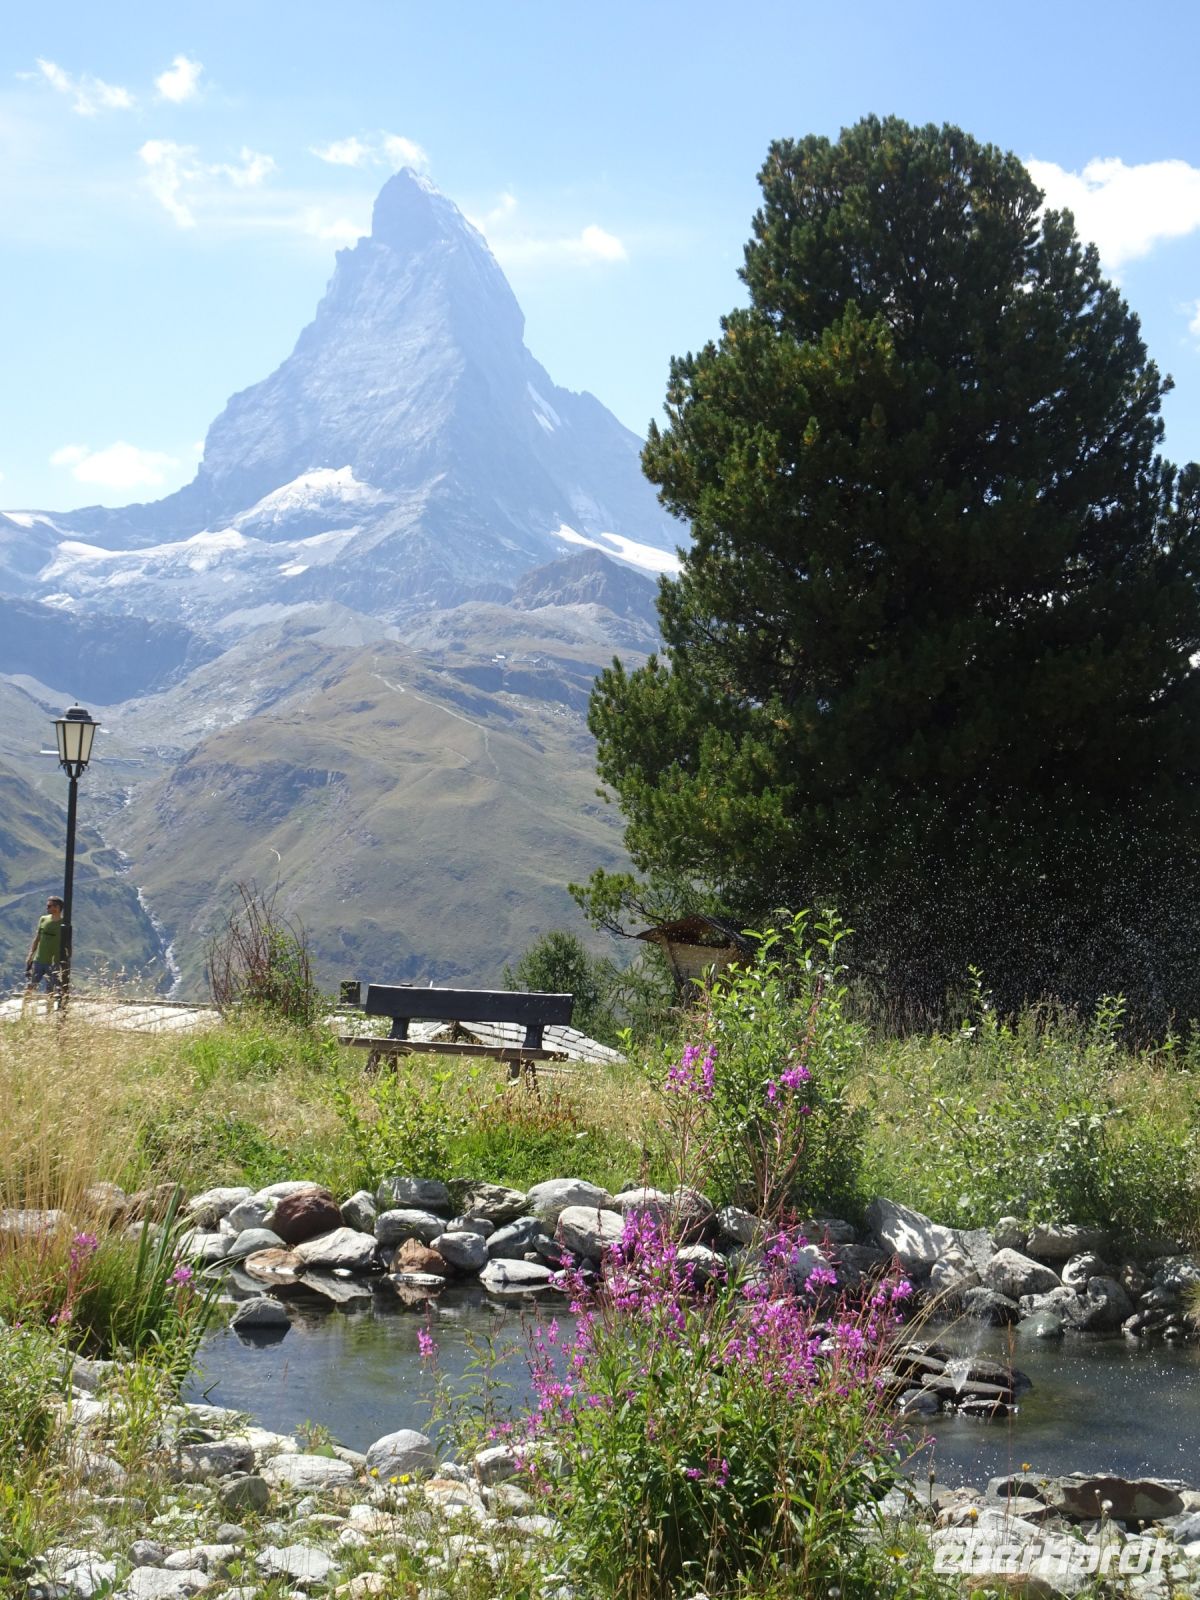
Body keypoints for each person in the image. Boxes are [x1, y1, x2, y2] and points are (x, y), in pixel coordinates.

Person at [24, 895, 65, 1014]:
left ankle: (49, 1013)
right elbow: (37, 938)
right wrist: (30, 955)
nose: (47, 908)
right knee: (31, 986)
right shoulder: (43, 919)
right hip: (39, 959)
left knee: (50, 990)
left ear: (57, 908)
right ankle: (24, 1010)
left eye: (49, 906)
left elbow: (67, 943)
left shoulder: (63, 923)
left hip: (54, 962)